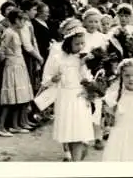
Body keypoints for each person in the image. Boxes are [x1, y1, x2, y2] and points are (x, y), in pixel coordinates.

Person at [41, 20, 95, 161]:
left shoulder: (86, 58)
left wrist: (83, 66)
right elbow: (46, 78)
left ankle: (77, 160)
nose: (81, 46)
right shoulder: (58, 58)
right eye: (77, 44)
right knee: (69, 133)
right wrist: (53, 79)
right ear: (68, 43)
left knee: (78, 132)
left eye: (83, 43)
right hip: (64, 97)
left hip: (80, 96)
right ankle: (72, 157)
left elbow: (89, 80)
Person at [0, 8, 35, 136]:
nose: (24, 22)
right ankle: (0, 127)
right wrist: (8, 63)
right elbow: (0, 51)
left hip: (19, 65)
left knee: (20, 96)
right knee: (10, 98)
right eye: (22, 19)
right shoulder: (9, 33)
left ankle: (15, 125)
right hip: (12, 67)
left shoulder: (16, 32)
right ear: (16, 20)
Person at [82, 7, 109, 151]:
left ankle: (97, 135)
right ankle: (84, 136)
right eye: (90, 21)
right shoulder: (81, 36)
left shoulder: (103, 37)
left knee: (97, 106)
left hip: (98, 74)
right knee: (85, 104)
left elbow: (106, 57)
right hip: (83, 73)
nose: (93, 24)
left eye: (96, 22)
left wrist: (103, 70)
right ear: (84, 22)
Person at [19, 0, 44, 95]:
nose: (36, 12)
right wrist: (39, 57)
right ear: (26, 10)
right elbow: (27, 45)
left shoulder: (28, 22)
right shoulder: (24, 23)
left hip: (30, 57)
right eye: (34, 10)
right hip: (27, 57)